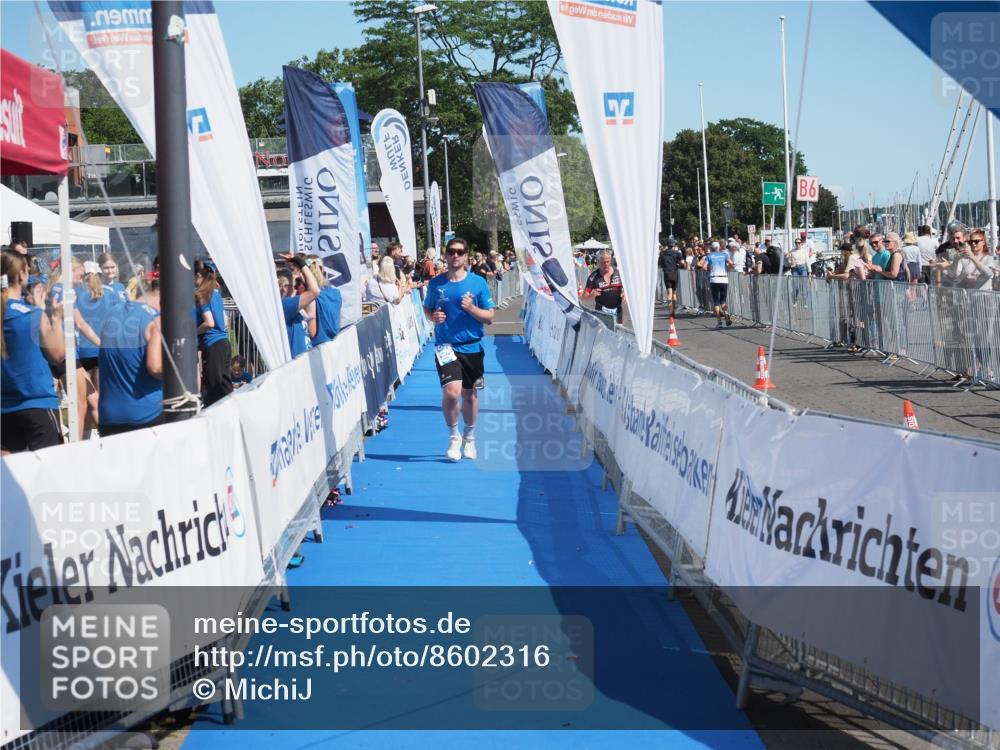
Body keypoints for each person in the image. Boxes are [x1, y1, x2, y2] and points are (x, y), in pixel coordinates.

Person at [423, 237, 495, 461]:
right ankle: (454, 435)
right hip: (446, 346)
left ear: (466, 256)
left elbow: (490, 317)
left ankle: (470, 437)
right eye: (451, 251)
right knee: (451, 393)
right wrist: (433, 317)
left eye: (460, 252)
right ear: (445, 255)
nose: (455, 255)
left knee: (469, 395)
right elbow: (428, 310)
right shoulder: (436, 284)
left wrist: (472, 308)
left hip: (472, 346)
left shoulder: (478, 283)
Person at [1, 250, 66, 452]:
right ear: (22, 275)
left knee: (6, 479)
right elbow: (58, 355)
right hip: (37, 403)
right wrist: (54, 317)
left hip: (4, 407)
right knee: (50, 476)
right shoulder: (31, 316)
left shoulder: (16, 313)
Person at [98, 273, 163, 436]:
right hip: (146, 416)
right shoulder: (155, 319)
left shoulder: (112, 313)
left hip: (109, 416)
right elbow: (155, 367)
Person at [193, 259, 232, 407]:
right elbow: (224, 321)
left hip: (213, 345)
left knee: (212, 388)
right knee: (225, 385)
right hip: (224, 343)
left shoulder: (202, 295)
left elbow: (209, 323)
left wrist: (193, 332)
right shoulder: (216, 294)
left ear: (198, 276)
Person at [279, 255, 320, 357]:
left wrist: (303, 280)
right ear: (284, 287)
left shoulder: (290, 305)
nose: (298, 286)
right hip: (297, 365)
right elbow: (315, 291)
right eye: (296, 283)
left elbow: (311, 314)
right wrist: (300, 262)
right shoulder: (285, 305)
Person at [306, 256, 342, 345]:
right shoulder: (336, 292)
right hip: (335, 341)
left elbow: (312, 332)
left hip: (316, 344)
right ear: (323, 270)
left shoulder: (309, 295)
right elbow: (339, 320)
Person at [583, 250, 626, 323]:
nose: (606, 264)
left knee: (618, 332)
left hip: (617, 310)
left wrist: (625, 293)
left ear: (611, 260)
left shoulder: (619, 273)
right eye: (603, 262)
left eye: (608, 261)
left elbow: (627, 289)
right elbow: (583, 297)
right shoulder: (593, 277)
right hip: (601, 310)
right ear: (598, 262)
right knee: (603, 332)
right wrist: (592, 295)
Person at [699, 241, 734, 327]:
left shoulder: (709, 256)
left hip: (714, 278)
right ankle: (726, 313)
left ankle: (719, 322)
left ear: (711, 248)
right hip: (724, 278)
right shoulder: (724, 254)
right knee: (723, 300)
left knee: (716, 301)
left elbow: (703, 266)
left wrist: (710, 269)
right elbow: (731, 264)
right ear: (719, 248)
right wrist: (728, 268)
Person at [658, 243, 685, 316]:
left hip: (666, 273)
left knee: (669, 293)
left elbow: (659, 264)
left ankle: (671, 312)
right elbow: (682, 263)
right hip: (674, 273)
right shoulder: (677, 253)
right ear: (673, 246)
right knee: (674, 293)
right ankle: (674, 310)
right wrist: (679, 264)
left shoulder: (662, 254)